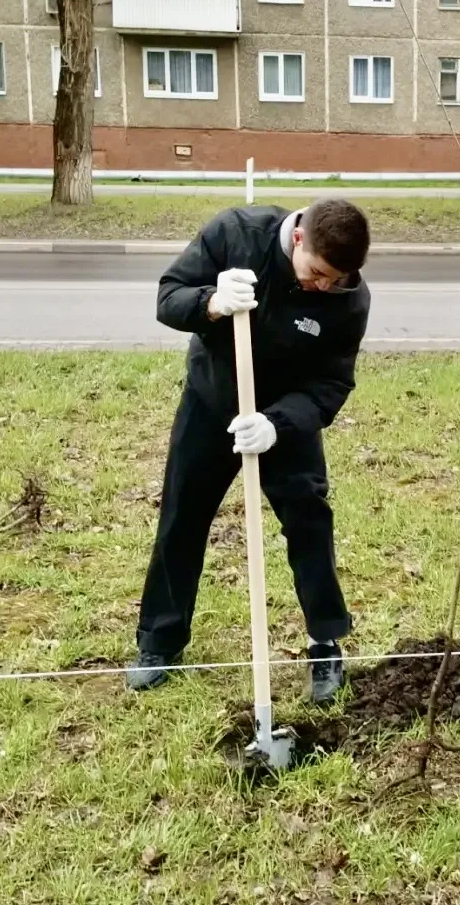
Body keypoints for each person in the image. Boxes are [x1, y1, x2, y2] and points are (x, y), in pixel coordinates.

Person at [128, 198, 371, 703]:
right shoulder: (236, 234)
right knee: (181, 516)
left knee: (309, 522)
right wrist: (212, 302)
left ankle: (324, 644)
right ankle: (159, 642)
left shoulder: (348, 299)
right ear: (299, 238)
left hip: (282, 419)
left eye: (335, 280)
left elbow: (331, 384)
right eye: (317, 273)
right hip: (212, 402)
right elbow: (168, 298)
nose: (322, 286)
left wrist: (277, 425)